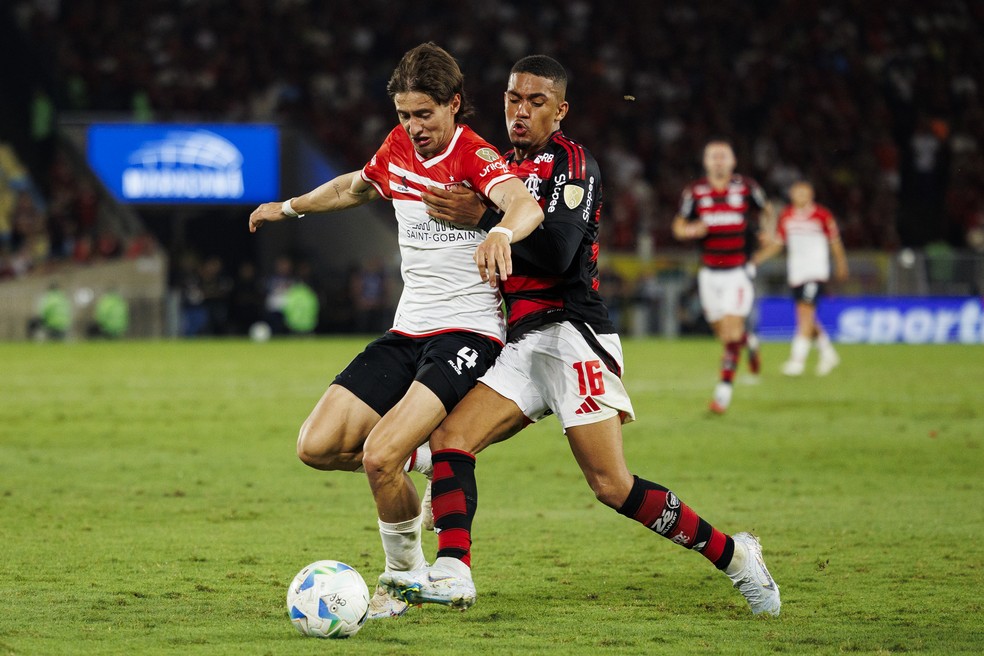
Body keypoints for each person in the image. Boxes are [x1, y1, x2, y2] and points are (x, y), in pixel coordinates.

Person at [380, 55, 780, 617]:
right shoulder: (493, 164)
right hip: (520, 342)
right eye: (514, 99)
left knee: (611, 485)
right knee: (449, 439)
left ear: (560, 110)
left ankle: (737, 557)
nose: (521, 111)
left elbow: (560, 253)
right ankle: (453, 571)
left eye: (536, 102)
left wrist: (482, 221)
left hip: (572, 333)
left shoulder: (571, 164)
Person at [248, 43, 543, 619]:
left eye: (424, 114)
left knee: (379, 454)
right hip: (408, 330)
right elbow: (355, 188)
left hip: (468, 333)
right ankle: (421, 462)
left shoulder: (473, 156)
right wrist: (288, 207)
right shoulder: (397, 148)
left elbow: (523, 204)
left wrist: (503, 232)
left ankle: (402, 580)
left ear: (454, 105)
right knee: (317, 446)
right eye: (405, 115)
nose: (414, 128)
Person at [672, 141, 772, 414]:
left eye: (723, 156)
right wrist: (691, 230)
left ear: (733, 161)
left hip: (736, 273)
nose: (718, 160)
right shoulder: (695, 192)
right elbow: (678, 226)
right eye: (712, 156)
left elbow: (767, 212)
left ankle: (722, 395)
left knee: (729, 335)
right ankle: (749, 341)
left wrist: (765, 232)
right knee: (724, 333)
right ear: (705, 163)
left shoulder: (747, 187)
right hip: (708, 275)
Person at [753, 180, 849, 376]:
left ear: (811, 195)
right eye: (798, 193)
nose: (801, 196)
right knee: (806, 316)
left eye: (805, 193)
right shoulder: (786, 216)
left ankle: (797, 361)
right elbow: (779, 244)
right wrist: (757, 258)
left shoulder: (822, 215)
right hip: (796, 273)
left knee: (804, 314)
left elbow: (835, 242)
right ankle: (828, 352)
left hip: (816, 271)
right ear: (791, 195)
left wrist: (841, 265)